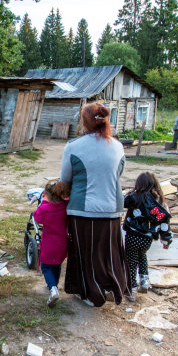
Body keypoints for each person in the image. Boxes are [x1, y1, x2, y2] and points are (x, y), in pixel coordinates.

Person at [60, 102, 129, 307]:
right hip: (112, 209)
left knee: (85, 253)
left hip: (84, 209)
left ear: (84, 122)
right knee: (109, 252)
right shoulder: (117, 146)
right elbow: (118, 173)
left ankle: (91, 293)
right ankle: (112, 286)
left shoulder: (73, 146)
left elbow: (65, 179)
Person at [123, 172, 173, 302]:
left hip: (132, 236)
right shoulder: (157, 203)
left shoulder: (134, 197)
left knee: (131, 261)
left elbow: (121, 202)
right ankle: (144, 281)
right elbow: (163, 221)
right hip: (147, 239)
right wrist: (166, 239)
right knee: (142, 256)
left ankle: (131, 288)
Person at [32, 179, 70, 307]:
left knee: (46, 267)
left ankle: (52, 288)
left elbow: (37, 218)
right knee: (57, 264)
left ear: (47, 195)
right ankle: (55, 284)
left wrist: (43, 202)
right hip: (63, 242)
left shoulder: (45, 208)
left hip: (49, 243)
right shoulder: (65, 205)